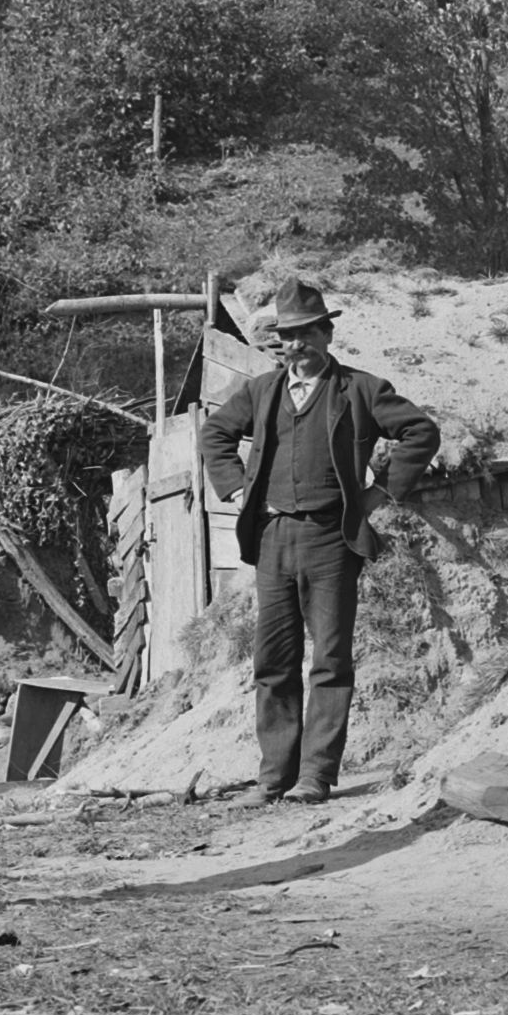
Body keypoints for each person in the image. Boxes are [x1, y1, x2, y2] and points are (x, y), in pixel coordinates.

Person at [197, 276, 442, 800]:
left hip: (332, 538)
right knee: (273, 660)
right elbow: (214, 433)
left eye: (308, 332)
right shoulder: (261, 392)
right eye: (288, 335)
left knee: (330, 658)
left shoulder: (360, 389)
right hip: (272, 538)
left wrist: (380, 494)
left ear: (327, 334)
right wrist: (237, 489)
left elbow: (420, 432)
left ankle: (315, 776)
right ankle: (273, 777)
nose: (297, 344)